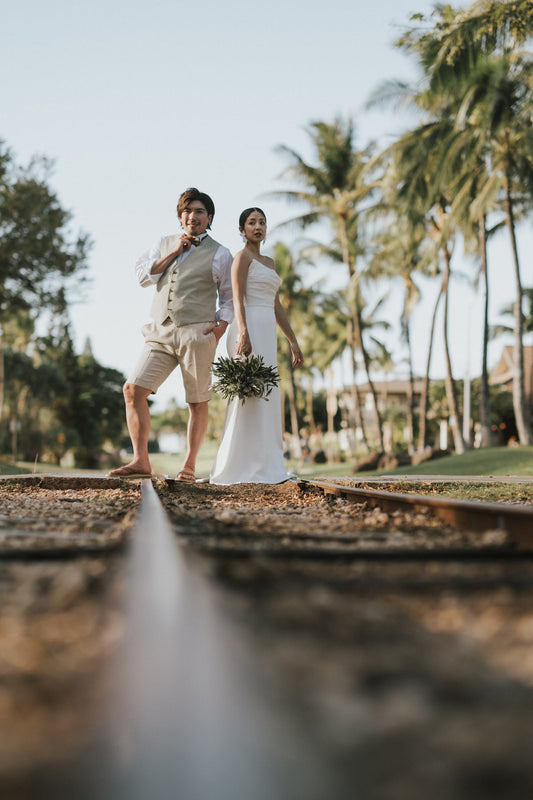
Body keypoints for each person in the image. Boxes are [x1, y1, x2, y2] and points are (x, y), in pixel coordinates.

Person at [109, 187, 233, 481]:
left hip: (197, 333)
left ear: (209, 217)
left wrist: (218, 331)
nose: (193, 216)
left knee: (197, 401)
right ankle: (141, 460)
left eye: (200, 211)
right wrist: (175, 252)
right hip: (160, 331)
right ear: (180, 216)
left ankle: (189, 466)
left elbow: (228, 297)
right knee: (133, 390)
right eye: (188, 211)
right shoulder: (163, 243)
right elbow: (143, 278)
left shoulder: (221, 253)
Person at [210, 207, 303, 485]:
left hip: (267, 331)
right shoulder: (241, 258)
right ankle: (237, 465)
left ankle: (267, 464)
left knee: (267, 393)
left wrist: (292, 340)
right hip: (247, 327)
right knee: (246, 395)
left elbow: (276, 305)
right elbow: (237, 298)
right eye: (252, 223)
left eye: (262, 222)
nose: (258, 226)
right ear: (242, 230)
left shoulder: (270, 262)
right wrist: (243, 333)